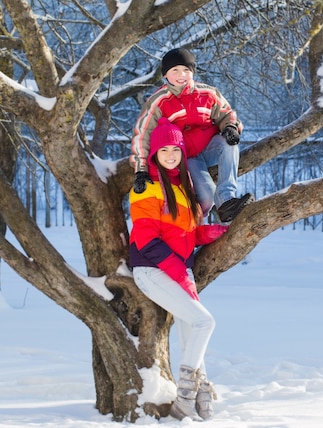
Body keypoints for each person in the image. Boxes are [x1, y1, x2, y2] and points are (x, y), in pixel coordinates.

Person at [129, 117, 227, 421]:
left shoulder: (182, 188)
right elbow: (146, 240)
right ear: (154, 153)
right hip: (152, 268)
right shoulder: (146, 187)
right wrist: (178, 273)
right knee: (203, 323)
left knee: (190, 330)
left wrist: (204, 234)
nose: (170, 155)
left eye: (176, 149)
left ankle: (199, 399)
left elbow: (180, 233)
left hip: (177, 269)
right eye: (164, 150)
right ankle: (186, 396)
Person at [130, 48, 253, 223]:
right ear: (166, 75)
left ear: (192, 72)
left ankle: (227, 201)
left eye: (186, 70)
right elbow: (143, 135)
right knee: (206, 196)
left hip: (210, 148)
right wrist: (141, 170)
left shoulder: (208, 93)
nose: (181, 75)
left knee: (229, 143)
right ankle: (194, 225)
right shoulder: (158, 101)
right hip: (185, 158)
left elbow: (227, 114)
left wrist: (230, 127)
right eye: (175, 70)